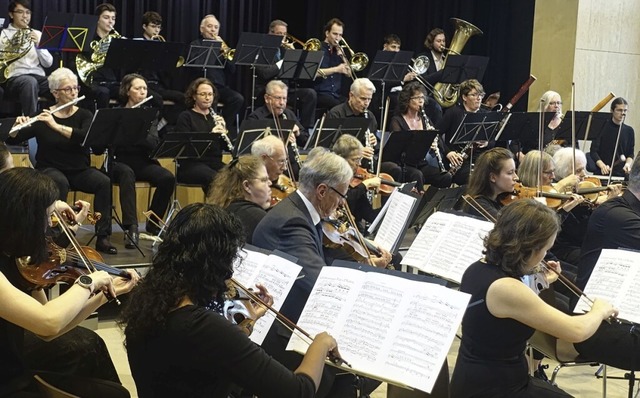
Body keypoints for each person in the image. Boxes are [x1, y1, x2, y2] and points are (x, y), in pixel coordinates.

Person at [118, 202, 340, 398]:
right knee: (330, 380)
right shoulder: (202, 325)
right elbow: (297, 391)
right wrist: (321, 343)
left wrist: (247, 323)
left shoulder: (148, 301)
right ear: (217, 264)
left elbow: (199, 359)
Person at [450, 199, 617, 397]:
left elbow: (511, 314)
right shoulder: (505, 288)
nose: (545, 256)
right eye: (545, 249)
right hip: (493, 388)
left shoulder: (477, 268)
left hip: (485, 377)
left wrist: (542, 281)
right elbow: (576, 331)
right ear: (530, 248)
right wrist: (599, 310)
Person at [0, 167, 139, 397]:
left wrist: (103, 294)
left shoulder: (16, 258)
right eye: (46, 217)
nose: (48, 228)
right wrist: (88, 282)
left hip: (15, 371)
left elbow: (49, 330)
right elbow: (48, 322)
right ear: (26, 220)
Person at [252, 151, 379, 397]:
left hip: (289, 315)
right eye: (342, 195)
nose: (343, 204)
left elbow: (317, 259)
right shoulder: (292, 222)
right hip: (280, 332)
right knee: (362, 361)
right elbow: (319, 284)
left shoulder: (298, 212)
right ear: (322, 191)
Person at [7, 67, 118, 254]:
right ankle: (57, 235)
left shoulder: (84, 115)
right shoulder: (42, 115)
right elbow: (12, 138)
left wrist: (55, 125)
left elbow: (84, 137)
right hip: (50, 168)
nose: (74, 92)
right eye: (68, 89)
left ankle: (103, 237)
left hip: (79, 169)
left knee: (103, 182)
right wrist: (17, 126)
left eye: (75, 88)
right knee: (59, 182)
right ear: (55, 93)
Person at [103, 73, 176, 244]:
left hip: (142, 161)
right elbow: (108, 142)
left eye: (145, 88)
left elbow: (153, 143)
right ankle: (131, 226)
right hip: (119, 161)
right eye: (138, 88)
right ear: (128, 91)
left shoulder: (149, 115)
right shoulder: (116, 114)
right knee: (127, 174)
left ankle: (153, 223)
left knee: (167, 178)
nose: (143, 92)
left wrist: (139, 132)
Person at [383, 81, 451, 191]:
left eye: (422, 97)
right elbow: (396, 147)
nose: (421, 101)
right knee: (417, 175)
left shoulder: (425, 119)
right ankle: (418, 206)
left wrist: (432, 140)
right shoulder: (397, 121)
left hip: (421, 163)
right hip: (404, 165)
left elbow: (440, 143)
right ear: (407, 100)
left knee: (445, 177)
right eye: (417, 98)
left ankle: (432, 203)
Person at [254, 19, 318, 131]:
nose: (283, 38)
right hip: (266, 91)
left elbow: (297, 74)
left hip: (285, 90)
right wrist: (285, 60)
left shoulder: (284, 50)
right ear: (270, 33)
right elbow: (265, 73)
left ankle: (305, 130)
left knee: (310, 94)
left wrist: (295, 57)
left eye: (284, 34)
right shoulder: (262, 50)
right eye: (279, 34)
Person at [175, 77, 230, 194]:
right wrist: (211, 136)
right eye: (203, 94)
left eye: (210, 94)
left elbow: (225, 148)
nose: (207, 97)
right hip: (191, 165)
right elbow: (187, 149)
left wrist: (224, 133)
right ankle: (215, 210)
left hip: (214, 162)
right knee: (215, 177)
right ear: (194, 96)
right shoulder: (186, 117)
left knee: (236, 174)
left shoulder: (216, 118)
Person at [327, 78, 388, 180]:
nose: (366, 103)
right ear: (351, 95)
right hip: (343, 164)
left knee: (393, 169)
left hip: (365, 162)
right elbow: (331, 147)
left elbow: (376, 147)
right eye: (363, 99)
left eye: (369, 99)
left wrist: (374, 143)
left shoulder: (370, 116)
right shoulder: (336, 114)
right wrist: (357, 152)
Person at [191, 14, 244, 130]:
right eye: (210, 26)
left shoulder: (222, 48)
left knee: (237, 99)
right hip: (201, 87)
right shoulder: (195, 44)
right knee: (211, 100)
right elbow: (192, 67)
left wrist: (225, 53)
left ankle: (224, 128)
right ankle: (210, 129)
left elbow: (232, 70)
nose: (213, 30)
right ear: (202, 29)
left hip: (219, 87)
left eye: (216, 27)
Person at [1, 0, 53, 116]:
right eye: (20, 12)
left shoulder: (37, 34)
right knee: (29, 82)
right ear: (11, 14)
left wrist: (39, 45)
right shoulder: (3, 34)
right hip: (14, 78)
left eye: (28, 12)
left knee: (63, 82)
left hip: (38, 76)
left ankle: (61, 121)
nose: (25, 16)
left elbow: (48, 63)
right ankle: (31, 126)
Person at [136, 11, 186, 129]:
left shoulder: (160, 44)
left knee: (183, 98)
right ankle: (150, 127)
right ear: (144, 26)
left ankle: (162, 124)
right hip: (143, 84)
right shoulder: (138, 43)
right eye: (153, 26)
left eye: (158, 27)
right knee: (157, 99)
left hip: (158, 85)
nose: (156, 30)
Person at [247, 79, 306, 178]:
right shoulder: (256, 117)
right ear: (267, 98)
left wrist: (298, 133)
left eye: (284, 98)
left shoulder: (289, 114)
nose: (282, 103)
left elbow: (305, 141)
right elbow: (251, 149)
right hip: (269, 168)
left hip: (291, 165)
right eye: (278, 98)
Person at [207, 155, 271, 244]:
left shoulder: (224, 207)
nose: (270, 183)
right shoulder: (258, 218)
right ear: (247, 186)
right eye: (264, 180)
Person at [436, 78, 487, 186]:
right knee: (474, 179)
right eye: (474, 95)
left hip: (481, 159)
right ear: (464, 97)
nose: (478, 98)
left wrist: (486, 142)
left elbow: (493, 140)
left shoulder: (485, 114)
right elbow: (436, 134)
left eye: (481, 95)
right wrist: (448, 152)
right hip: (458, 161)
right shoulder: (453, 113)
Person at [81, 3, 121, 110]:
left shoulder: (116, 41)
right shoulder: (87, 39)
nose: (110, 21)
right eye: (106, 17)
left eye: (113, 18)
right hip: (92, 82)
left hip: (110, 81)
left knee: (132, 90)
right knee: (103, 93)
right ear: (97, 19)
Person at [463, 147, 518, 219]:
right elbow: (506, 225)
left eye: (515, 172)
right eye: (510, 173)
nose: (516, 177)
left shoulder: (500, 198)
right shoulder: (477, 204)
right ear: (493, 177)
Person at [590, 97, 635, 178]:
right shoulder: (601, 127)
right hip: (602, 173)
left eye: (625, 110)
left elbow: (630, 154)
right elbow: (593, 152)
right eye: (619, 110)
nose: (623, 113)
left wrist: (627, 164)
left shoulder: (629, 131)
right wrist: (602, 166)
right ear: (612, 111)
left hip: (621, 174)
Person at [313, 18, 351, 111]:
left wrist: (343, 56)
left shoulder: (339, 51)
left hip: (336, 94)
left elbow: (349, 74)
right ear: (327, 33)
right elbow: (313, 72)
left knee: (353, 104)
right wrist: (336, 69)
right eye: (335, 34)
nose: (337, 38)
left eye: (340, 35)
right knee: (340, 107)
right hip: (320, 93)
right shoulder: (317, 48)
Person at [516, 90, 564, 160]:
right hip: (536, 161)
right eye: (552, 103)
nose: (556, 106)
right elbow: (515, 143)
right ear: (545, 105)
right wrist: (521, 157)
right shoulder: (533, 123)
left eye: (559, 103)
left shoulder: (565, 123)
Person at [251, 134, 294, 204]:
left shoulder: (285, 181)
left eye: (285, 161)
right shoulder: (247, 191)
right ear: (263, 158)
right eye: (281, 161)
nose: (285, 168)